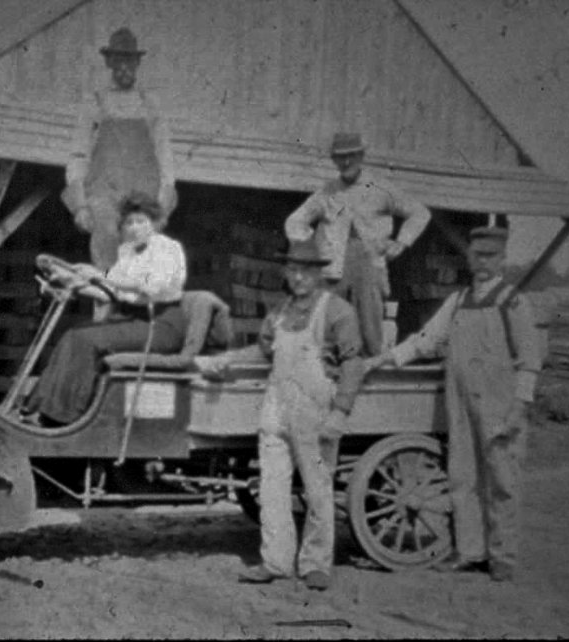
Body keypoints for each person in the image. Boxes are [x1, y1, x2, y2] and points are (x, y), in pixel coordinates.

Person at [363, 225, 541, 582]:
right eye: (477, 256)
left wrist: (519, 407)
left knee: (502, 480)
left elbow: (530, 360)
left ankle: (502, 556)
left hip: (499, 405)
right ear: (469, 259)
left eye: (490, 256)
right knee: (463, 476)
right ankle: (471, 552)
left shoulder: (513, 302)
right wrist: (384, 359)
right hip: (459, 402)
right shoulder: (458, 300)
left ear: (503, 259)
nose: (482, 263)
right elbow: (426, 340)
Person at [195, 239, 365, 591]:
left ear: (319, 273)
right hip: (275, 408)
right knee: (272, 489)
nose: (299, 277)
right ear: (286, 272)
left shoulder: (337, 311)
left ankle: (316, 563)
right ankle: (275, 561)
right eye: (293, 270)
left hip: (315, 411)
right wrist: (228, 359)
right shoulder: (280, 312)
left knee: (318, 489)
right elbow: (263, 352)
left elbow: (353, 362)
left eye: (306, 270)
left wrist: (341, 411)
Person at [22, 191, 186, 427]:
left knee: (87, 341)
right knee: (73, 335)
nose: (135, 228)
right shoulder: (127, 252)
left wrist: (100, 274)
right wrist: (74, 281)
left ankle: (62, 418)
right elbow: (111, 294)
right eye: (129, 223)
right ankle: (38, 409)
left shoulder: (167, 249)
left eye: (141, 222)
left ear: (155, 223)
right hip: (132, 319)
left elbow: (151, 287)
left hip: (160, 325)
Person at [284, 132, 431, 357]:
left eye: (351, 156)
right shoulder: (327, 192)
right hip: (333, 269)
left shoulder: (380, 188)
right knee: (329, 326)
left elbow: (419, 213)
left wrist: (401, 243)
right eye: (340, 157)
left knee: (370, 330)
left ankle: (371, 378)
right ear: (333, 160)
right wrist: (309, 249)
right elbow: (295, 221)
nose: (346, 162)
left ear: (361, 156)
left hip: (370, 267)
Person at [62, 27, 178, 273]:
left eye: (130, 61)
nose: (124, 67)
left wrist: (164, 203)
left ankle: (137, 310)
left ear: (137, 64)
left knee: (142, 266)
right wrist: (80, 205)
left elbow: (164, 154)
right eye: (119, 61)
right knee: (105, 264)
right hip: (105, 196)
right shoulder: (95, 101)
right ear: (109, 62)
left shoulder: (150, 104)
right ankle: (104, 309)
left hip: (142, 196)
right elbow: (79, 154)